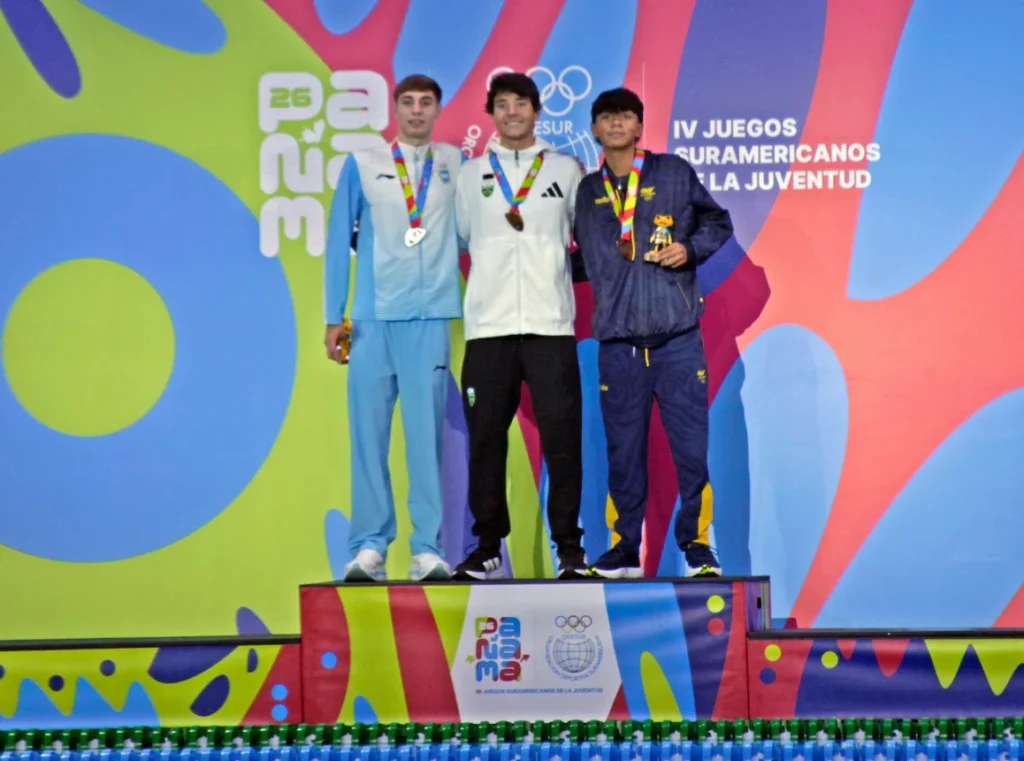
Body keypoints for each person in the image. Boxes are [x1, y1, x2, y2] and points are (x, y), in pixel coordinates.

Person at [573, 87, 734, 579]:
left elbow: (718, 222)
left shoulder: (673, 172)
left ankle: (698, 547)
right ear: (594, 129)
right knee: (622, 452)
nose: (616, 124)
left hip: (677, 340)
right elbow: (582, 259)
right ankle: (624, 549)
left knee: (690, 450)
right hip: (618, 344)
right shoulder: (587, 191)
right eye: (606, 117)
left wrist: (689, 250)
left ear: (639, 126)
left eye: (625, 116)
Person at [323, 74, 464, 582]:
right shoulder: (363, 164)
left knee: (425, 441)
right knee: (368, 438)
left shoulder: (456, 164)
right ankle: (369, 546)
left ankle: (427, 548)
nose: (417, 110)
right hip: (371, 321)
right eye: (408, 102)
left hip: (429, 320)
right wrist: (333, 316)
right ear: (395, 109)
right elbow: (337, 241)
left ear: (438, 109)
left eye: (426, 102)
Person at [452, 72, 588, 580]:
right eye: (503, 104)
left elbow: (583, 240)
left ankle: (569, 549)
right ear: (491, 113)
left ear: (537, 110)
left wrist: (551, 275)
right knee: (486, 441)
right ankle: (487, 546)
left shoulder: (565, 170)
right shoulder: (470, 175)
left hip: (550, 326)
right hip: (488, 329)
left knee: (563, 441)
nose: (512, 112)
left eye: (521, 104)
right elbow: (461, 239)